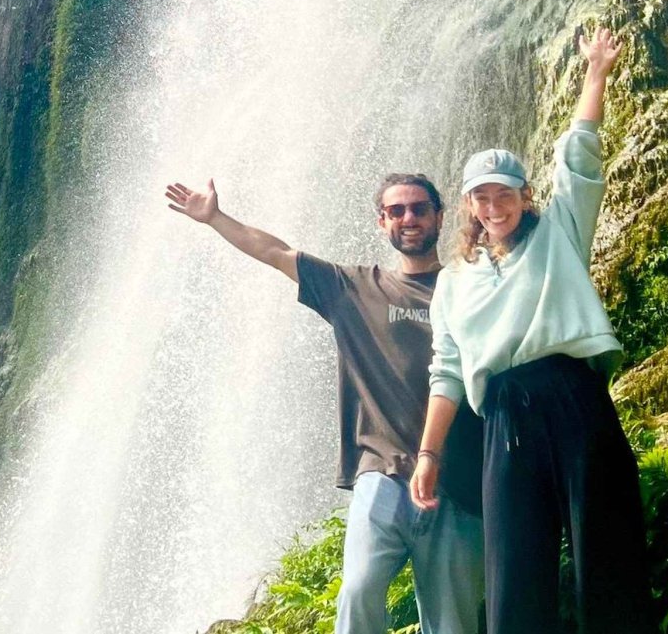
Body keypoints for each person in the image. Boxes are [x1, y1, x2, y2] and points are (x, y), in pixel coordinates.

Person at [409, 27, 655, 634]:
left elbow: (579, 155)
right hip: (503, 419)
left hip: (573, 396)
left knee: (608, 554)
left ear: (525, 194)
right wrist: (428, 454)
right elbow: (445, 371)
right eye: (482, 197)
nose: (496, 207)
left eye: (506, 194)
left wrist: (595, 73)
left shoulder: (560, 234)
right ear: (468, 205)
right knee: (514, 572)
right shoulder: (453, 282)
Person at [165, 174, 485, 634]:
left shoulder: (469, 288)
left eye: (418, 208)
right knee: (358, 590)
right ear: (382, 222)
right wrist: (216, 218)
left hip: (459, 477)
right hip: (383, 472)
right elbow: (276, 252)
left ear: (439, 216)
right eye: (396, 211)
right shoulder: (354, 288)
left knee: (453, 621)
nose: (408, 218)